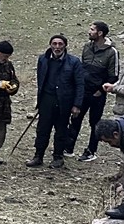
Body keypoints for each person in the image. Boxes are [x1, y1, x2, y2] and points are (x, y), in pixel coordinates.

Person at [66, 22, 119, 163]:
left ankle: (91, 150)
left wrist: (100, 91)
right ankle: (68, 147)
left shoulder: (111, 52)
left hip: (97, 94)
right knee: (75, 118)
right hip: (82, 91)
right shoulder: (87, 47)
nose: (89, 32)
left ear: (100, 33)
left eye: (92, 29)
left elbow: (113, 75)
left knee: (94, 122)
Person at [30, 35, 84, 169]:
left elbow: (80, 84)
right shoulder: (43, 59)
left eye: (60, 44)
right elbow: (40, 80)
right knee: (42, 129)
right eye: (54, 44)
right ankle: (38, 156)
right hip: (46, 99)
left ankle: (58, 157)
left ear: (65, 46)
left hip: (64, 101)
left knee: (61, 130)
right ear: (50, 45)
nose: (57, 47)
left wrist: (77, 105)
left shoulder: (74, 62)